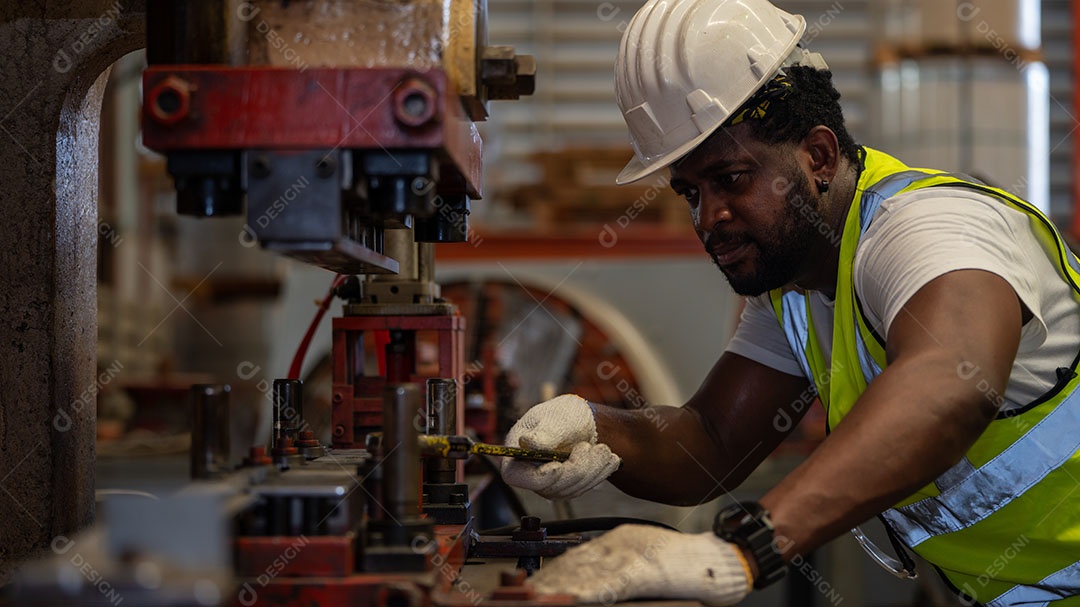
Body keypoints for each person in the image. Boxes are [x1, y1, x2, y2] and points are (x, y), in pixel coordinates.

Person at [499, 0, 1080, 605]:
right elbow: (710, 444)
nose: (709, 219)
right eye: (689, 192)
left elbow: (950, 382)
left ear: (819, 156)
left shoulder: (927, 230)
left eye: (731, 179)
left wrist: (743, 550)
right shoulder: (797, 287)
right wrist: (597, 430)